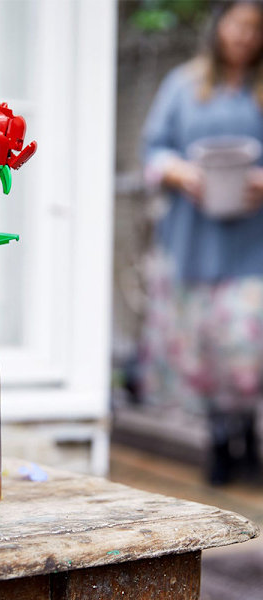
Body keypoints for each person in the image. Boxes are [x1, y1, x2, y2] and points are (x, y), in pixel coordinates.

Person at [141, 1, 263, 484]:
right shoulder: (183, 84)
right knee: (205, 341)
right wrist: (179, 172)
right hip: (195, 237)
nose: (246, 37)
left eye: (256, 29)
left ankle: (248, 432)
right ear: (220, 27)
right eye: (239, 25)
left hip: (252, 242)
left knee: (247, 340)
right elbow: (152, 148)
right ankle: (218, 440)